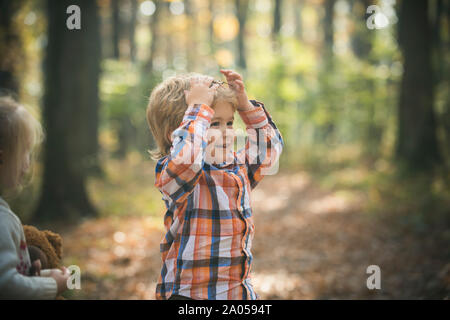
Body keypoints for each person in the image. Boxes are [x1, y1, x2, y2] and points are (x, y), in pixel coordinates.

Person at [146, 70, 284, 300]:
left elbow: (269, 149)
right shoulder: (178, 173)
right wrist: (198, 108)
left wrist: (245, 105)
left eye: (229, 123)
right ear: (176, 134)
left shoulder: (236, 167)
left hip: (237, 293)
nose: (225, 133)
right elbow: (187, 159)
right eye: (213, 123)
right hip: (190, 296)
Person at [0, 96, 70, 299]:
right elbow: (7, 286)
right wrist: (52, 286)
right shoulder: (2, 221)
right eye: (24, 152)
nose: (28, 162)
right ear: (2, 157)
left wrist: (36, 276)